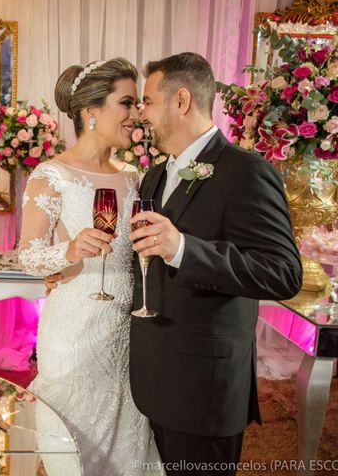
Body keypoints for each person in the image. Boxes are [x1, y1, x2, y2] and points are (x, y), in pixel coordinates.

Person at [125, 53, 302, 474]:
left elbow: (282, 272)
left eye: (148, 101)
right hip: (154, 377)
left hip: (204, 388)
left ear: (181, 101)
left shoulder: (246, 172)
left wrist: (184, 248)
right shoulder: (154, 175)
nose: (141, 112)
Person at [18, 57, 162, 476]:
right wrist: (70, 251)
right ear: (91, 112)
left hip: (125, 322)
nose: (136, 114)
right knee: (72, 432)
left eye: (137, 104)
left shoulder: (134, 176)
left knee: (125, 425)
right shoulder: (52, 174)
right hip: (73, 326)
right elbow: (27, 256)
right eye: (127, 103)